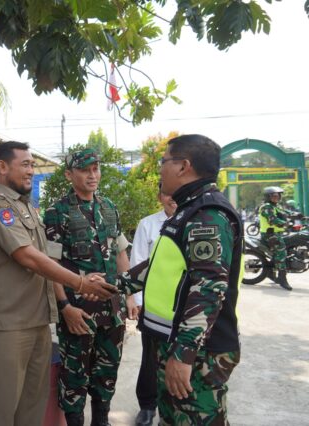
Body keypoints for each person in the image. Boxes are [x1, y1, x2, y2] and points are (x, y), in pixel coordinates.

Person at [0, 141, 118, 426]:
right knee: (3, 409)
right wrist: (80, 284)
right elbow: (29, 258)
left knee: (32, 406)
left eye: (32, 164)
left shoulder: (26, 208)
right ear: (2, 167)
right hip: (8, 322)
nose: (31, 170)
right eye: (25, 164)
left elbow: (48, 259)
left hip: (37, 319)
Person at [119, 134, 243, 425]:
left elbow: (208, 288)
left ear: (183, 166)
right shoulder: (188, 209)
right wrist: (117, 285)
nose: (160, 169)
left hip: (198, 353)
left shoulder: (207, 215)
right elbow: (165, 267)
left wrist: (184, 355)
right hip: (174, 341)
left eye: (164, 162)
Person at [43, 148, 133, 426]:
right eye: (85, 170)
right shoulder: (57, 213)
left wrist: (130, 295)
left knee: (107, 372)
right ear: (70, 175)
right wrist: (64, 307)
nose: (92, 175)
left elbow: (120, 253)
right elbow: (50, 265)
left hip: (112, 311)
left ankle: (102, 421)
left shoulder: (109, 207)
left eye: (96, 168)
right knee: (75, 377)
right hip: (78, 313)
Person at [129, 188, 177, 426]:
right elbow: (137, 262)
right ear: (159, 197)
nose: (172, 198)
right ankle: (147, 407)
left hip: (183, 310)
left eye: (177, 193)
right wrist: (137, 302)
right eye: (168, 194)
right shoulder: (148, 225)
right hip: (153, 308)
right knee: (150, 360)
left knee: (178, 361)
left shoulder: (192, 222)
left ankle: (173, 409)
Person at [259, 186, 298, 290]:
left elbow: (287, 213)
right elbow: (272, 220)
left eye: (278, 196)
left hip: (277, 233)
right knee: (281, 253)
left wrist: (299, 216)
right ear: (268, 197)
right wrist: (286, 224)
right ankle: (282, 279)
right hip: (270, 235)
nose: (276, 198)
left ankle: (270, 273)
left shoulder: (276, 206)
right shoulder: (266, 207)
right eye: (274, 196)